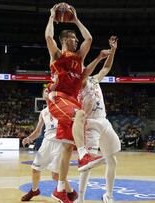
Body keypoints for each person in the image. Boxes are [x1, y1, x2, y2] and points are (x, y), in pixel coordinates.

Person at [45, 4, 104, 203]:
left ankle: (60, 189)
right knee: (80, 114)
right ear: (65, 40)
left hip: (71, 100)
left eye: (76, 39)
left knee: (67, 147)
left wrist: (76, 19)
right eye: (73, 38)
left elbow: (89, 39)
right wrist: (52, 17)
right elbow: (48, 38)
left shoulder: (79, 60)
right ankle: (85, 156)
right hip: (58, 97)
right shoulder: (58, 56)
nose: (76, 40)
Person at [77, 36, 120, 203]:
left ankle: (108, 195)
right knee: (88, 165)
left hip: (104, 121)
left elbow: (107, 67)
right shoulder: (78, 83)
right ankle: (80, 198)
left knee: (113, 160)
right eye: (82, 67)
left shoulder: (94, 80)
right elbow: (84, 75)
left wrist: (113, 50)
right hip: (90, 125)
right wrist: (98, 57)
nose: (84, 69)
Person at [20, 90, 77, 202]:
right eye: (45, 91)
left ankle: (71, 192)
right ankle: (34, 190)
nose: (47, 92)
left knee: (56, 175)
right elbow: (37, 131)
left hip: (60, 143)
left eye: (50, 91)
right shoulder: (43, 112)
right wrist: (29, 138)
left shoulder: (63, 107)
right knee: (35, 169)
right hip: (47, 143)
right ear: (43, 95)